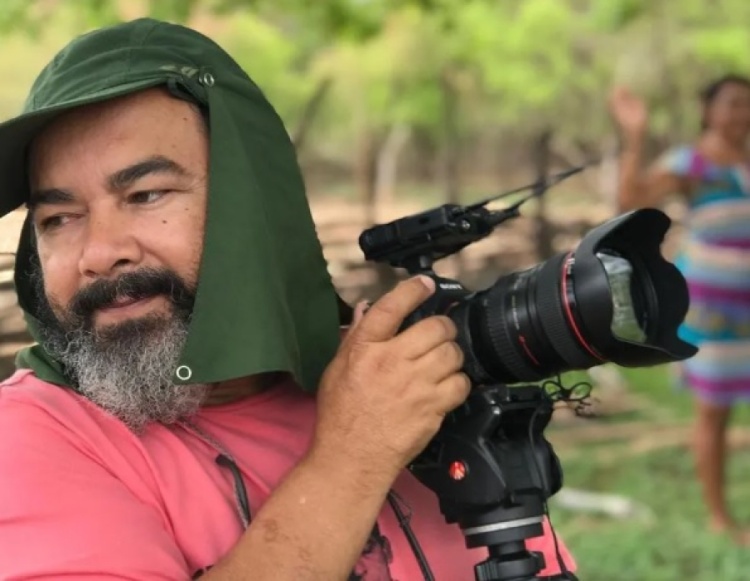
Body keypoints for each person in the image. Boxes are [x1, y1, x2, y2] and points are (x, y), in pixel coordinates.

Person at [0, 18, 576, 579]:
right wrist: (353, 455)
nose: (98, 252)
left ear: (253, 207)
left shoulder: (393, 387)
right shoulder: (33, 439)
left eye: (146, 194)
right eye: (59, 218)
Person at [609, 75, 750, 543]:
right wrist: (635, 136)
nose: (741, 114)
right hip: (713, 311)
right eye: (732, 104)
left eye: (748, 105)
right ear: (708, 110)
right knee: (714, 412)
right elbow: (631, 202)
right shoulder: (692, 163)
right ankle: (719, 516)